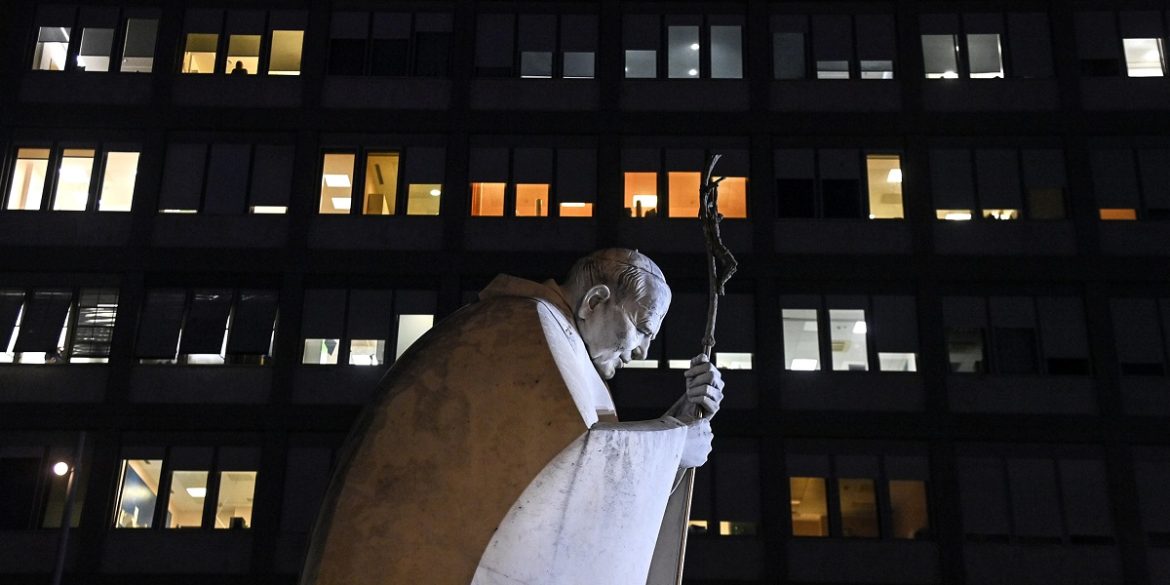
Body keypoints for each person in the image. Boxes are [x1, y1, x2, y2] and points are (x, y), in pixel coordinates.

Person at [302, 249, 724, 585]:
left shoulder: (558, 338)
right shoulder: (526, 328)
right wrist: (673, 443)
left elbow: (580, 488)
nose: (642, 351)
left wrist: (682, 421)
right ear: (595, 301)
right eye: (642, 328)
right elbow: (573, 460)